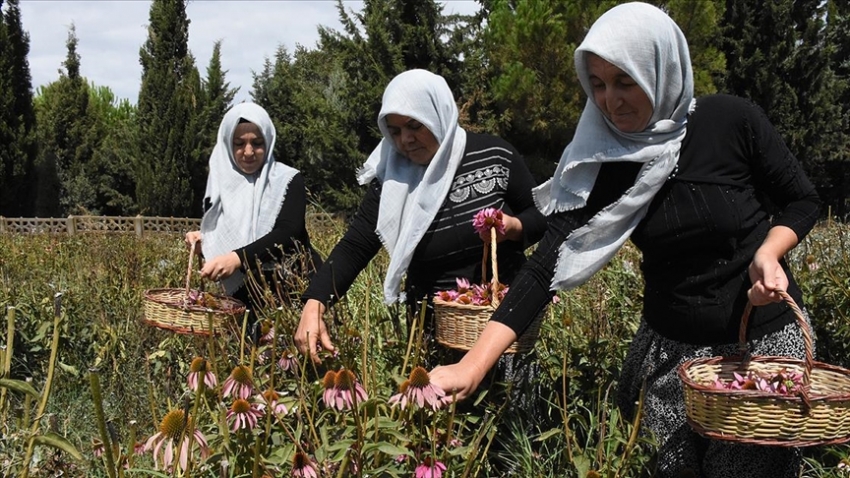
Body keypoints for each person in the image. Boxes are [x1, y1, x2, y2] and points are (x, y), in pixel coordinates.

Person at [429, 3, 821, 477]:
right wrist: (473, 365)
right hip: (671, 359)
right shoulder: (603, 160)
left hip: (758, 352)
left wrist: (769, 250)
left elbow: (802, 200)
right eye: (596, 83)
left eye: (625, 81)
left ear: (660, 68)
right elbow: (546, 265)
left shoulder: (730, 122)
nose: (610, 100)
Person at [293, 68, 547, 363]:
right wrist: (315, 303)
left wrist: (513, 227)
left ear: (437, 114)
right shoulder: (392, 181)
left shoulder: (494, 156)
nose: (405, 140)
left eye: (414, 125)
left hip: (505, 322)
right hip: (434, 333)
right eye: (395, 130)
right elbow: (356, 245)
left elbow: (541, 217)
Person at [185, 102, 322, 330]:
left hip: (293, 290)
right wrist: (206, 240)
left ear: (268, 141)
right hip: (247, 299)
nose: (248, 152)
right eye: (239, 144)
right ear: (228, 144)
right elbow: (233, 231)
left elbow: (288, 231)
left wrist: (236, 259)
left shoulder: (286, 180)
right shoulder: (223, 187)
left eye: (257, 143)